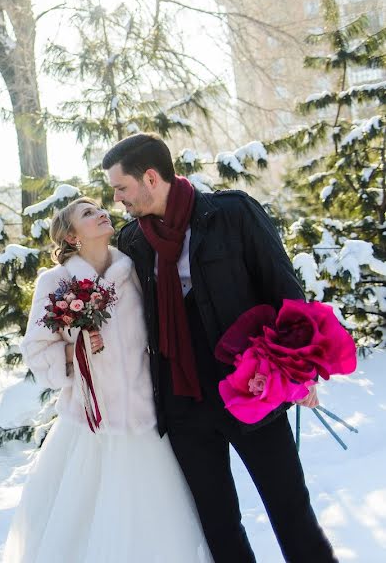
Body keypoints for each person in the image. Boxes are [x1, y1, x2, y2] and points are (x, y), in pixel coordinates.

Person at [104, 132, 334, 563]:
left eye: (121, 187)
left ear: (151, 177)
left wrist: (300, 370)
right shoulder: (132, 241)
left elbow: (284, 289)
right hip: (183, 403)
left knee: (291, 511)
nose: (117, 199)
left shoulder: (231, 213)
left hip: (251, 388)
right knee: (218, 525)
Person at [2, 196, 212, 562]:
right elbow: (36, 352)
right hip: (89, 424)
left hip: (145, 420)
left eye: (100, 208)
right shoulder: (56, 281)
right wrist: (76, 348)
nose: (101, 213)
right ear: (70, 237)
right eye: (88, 213)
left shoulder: (132, 272)